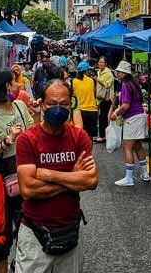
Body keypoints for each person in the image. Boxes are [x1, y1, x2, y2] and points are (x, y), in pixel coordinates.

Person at [15, 80, 98, 273]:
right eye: (52, 104)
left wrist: (47, 174)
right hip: (34, 234)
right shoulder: (27, 140)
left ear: (71, 104)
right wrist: (72, 177)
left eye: (64, 104)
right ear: (42, 104)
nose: (58, 109)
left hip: (70, 231)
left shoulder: (79, 137)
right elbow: (28, 189)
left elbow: (91, 181)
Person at [0, 71, 34, 273]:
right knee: (1, 229)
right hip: (2, 178)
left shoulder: (20, 107)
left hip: (24, 169)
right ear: (5, 87)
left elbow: (32, 131)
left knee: (28, 225)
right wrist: (6, 142)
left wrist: (37, 113)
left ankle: (20, 265)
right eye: (15, 82)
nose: (19, 85)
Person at [109, 61, 149, 186]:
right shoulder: (133, 84)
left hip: (132, 118)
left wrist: (115, 114)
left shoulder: (125, 85)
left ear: (125, 73)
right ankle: (144, 173)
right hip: (140, 116)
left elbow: (126, 105)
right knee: (138, 146)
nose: (117, 73)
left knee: (127, 147)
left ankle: (129, 178)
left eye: (119, 71)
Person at [71, 62, 98, 139]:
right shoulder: (91, 81)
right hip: (92, 110)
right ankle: (89, 151)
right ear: (86, 71)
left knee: (79, 136)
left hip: (79, 112)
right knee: (90, 137)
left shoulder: (73, 81)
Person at [94, 57, 114, 143]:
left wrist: (97, 79)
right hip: (100, 98)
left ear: (106, 64)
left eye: (102, 62)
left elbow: (108, 85)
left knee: (103, 117)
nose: (101, 64)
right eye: (99, 62)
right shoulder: (99, 72)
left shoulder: (108, 73)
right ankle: (103, 135)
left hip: (106, 98)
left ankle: (103, 136)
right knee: (102, 117)